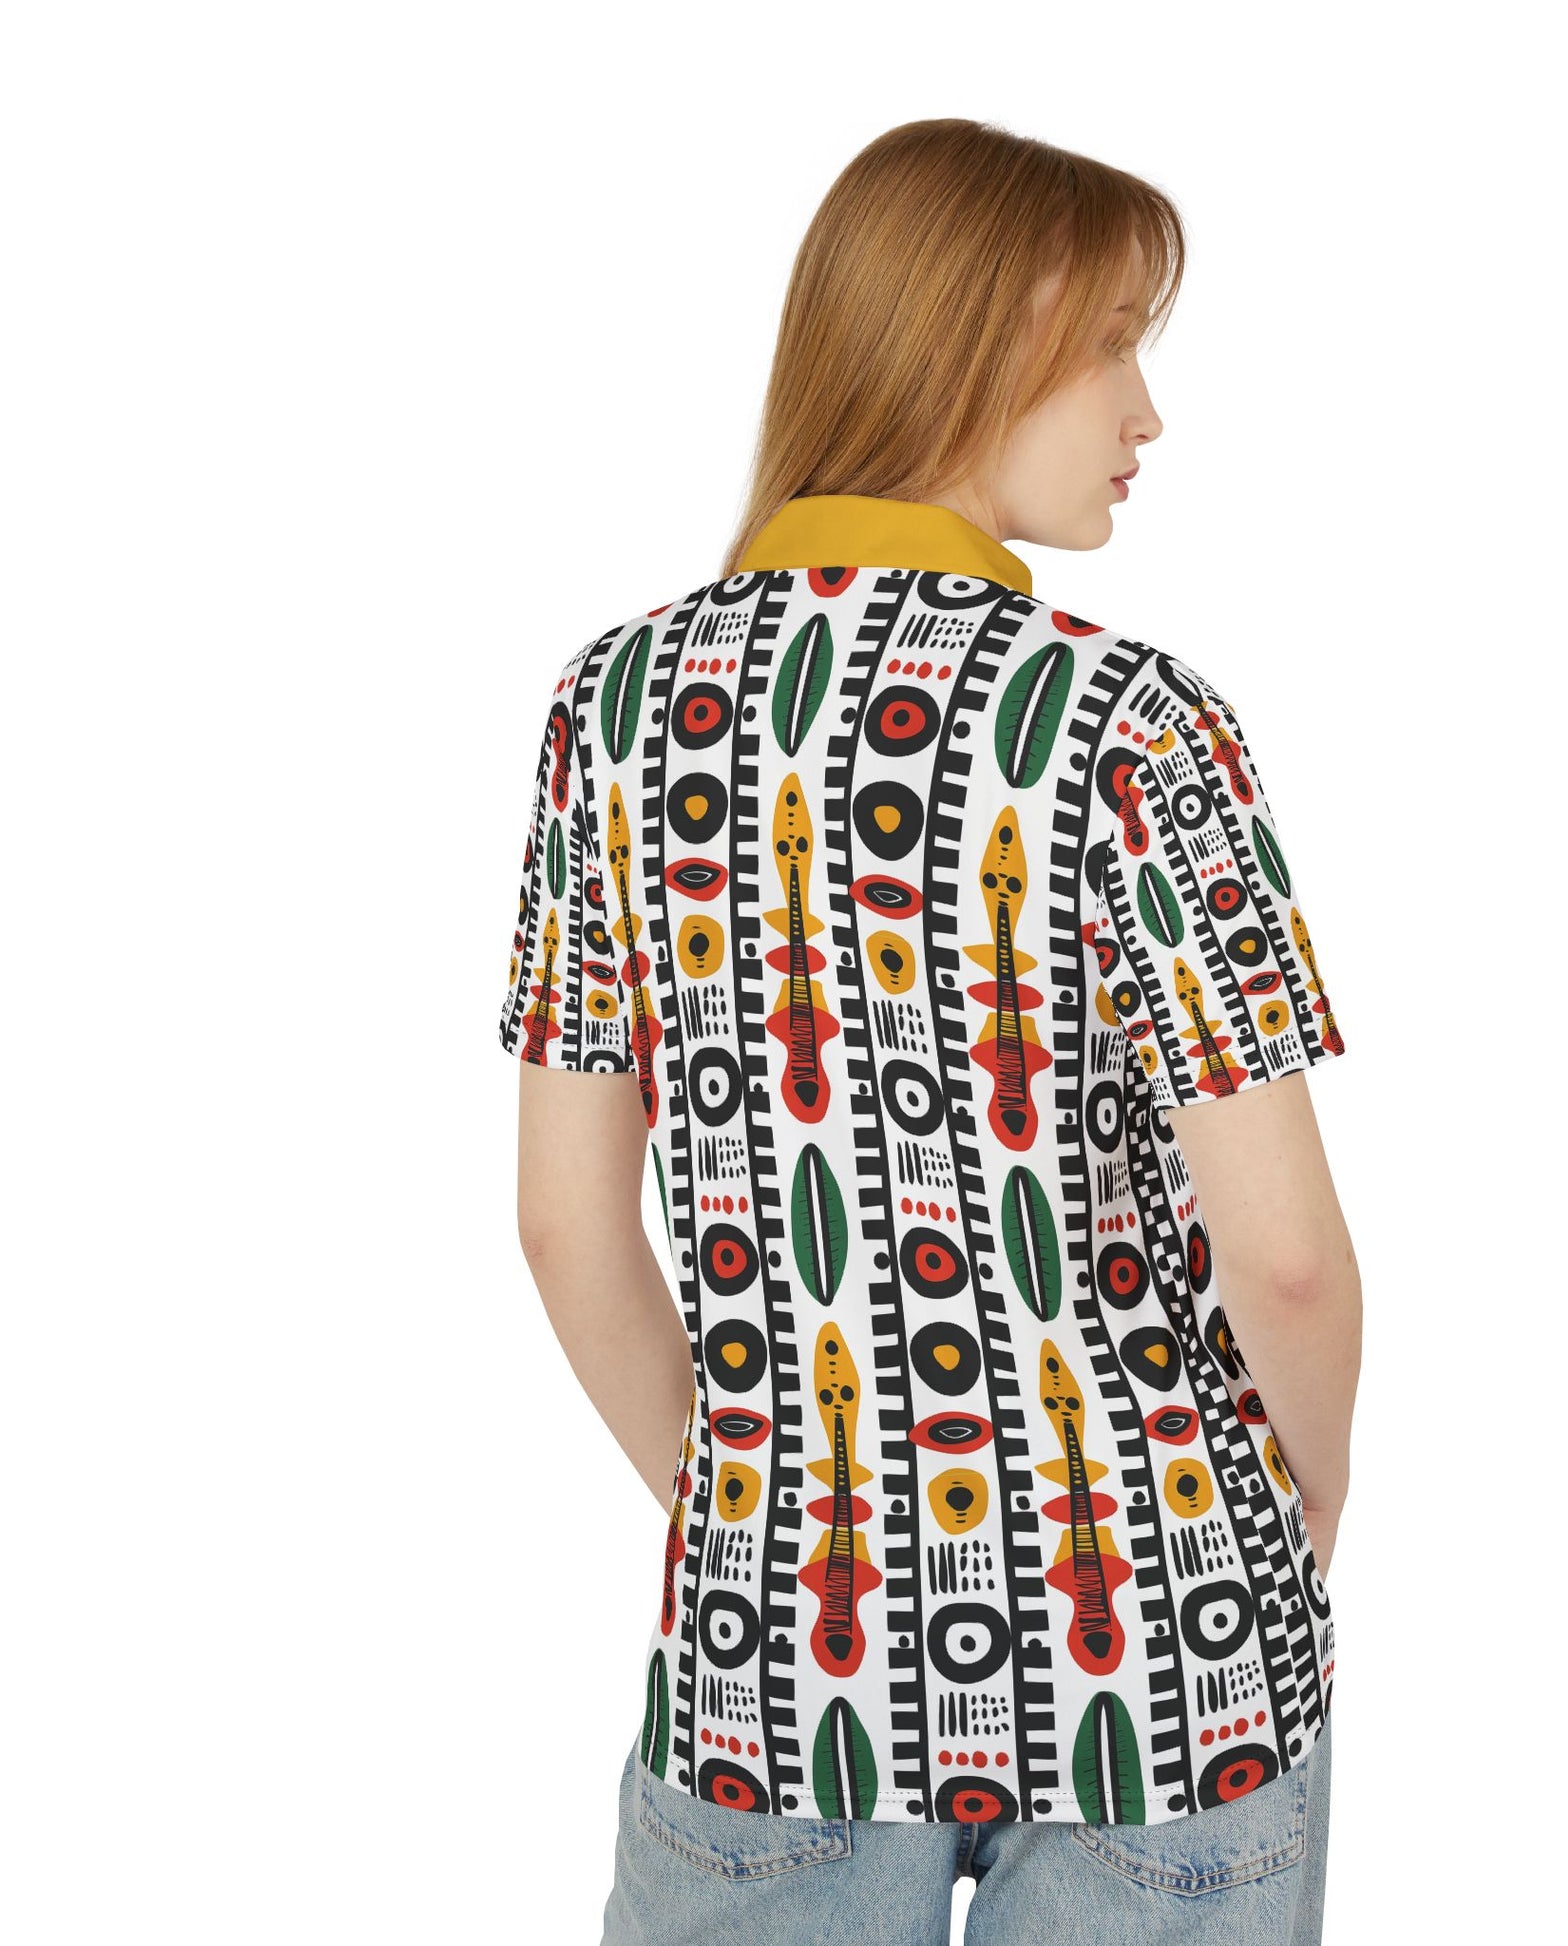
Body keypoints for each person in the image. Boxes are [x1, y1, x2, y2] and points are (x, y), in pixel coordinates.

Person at [497, 118, 1362, 1946]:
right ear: (989, 333)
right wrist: (1304, 1520)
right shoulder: (1134, 725)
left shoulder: (615, 712)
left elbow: (569, 1224)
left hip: (774, 1656)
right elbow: (1283, 1257)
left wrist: (740, 1521)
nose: (1147, 411)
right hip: (1169, 1648)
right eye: (1113, 341)